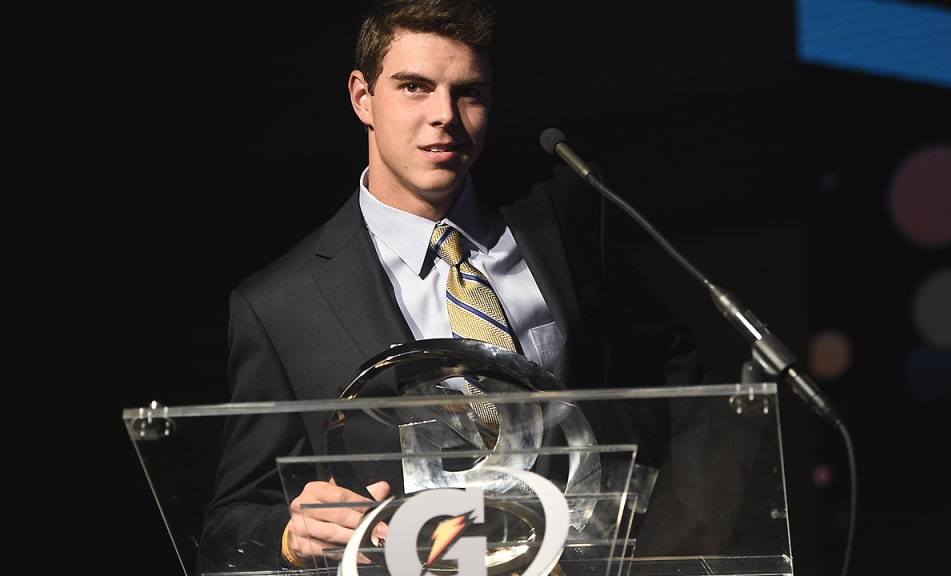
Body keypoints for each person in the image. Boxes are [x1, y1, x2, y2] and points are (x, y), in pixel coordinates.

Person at [197, 0, 706, 571]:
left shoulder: (561, 208)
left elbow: (667, 364)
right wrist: (290, 536)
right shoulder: (279, 305)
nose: (445, 114)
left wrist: (651, 516)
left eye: (469, 91)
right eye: (414, 87)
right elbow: (231, 520)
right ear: (362, 96)